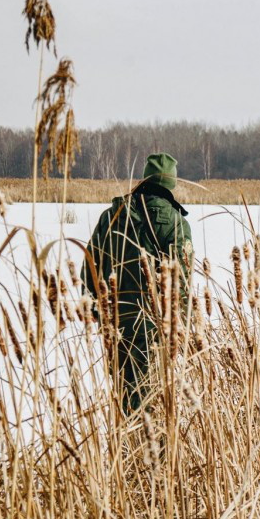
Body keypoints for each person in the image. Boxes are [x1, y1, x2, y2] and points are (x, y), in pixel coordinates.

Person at [81, 152, 192, 413]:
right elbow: (181, 286)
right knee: (153, 405)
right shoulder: (176, 223)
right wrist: (180, 333)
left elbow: (90, 268)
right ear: (171, 183)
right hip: (155, 329)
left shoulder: (112, 215)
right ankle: (154, 454)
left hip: (117, 326)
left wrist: (100, 314)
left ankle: (125, 452)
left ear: (146, 178)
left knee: (124, 401)